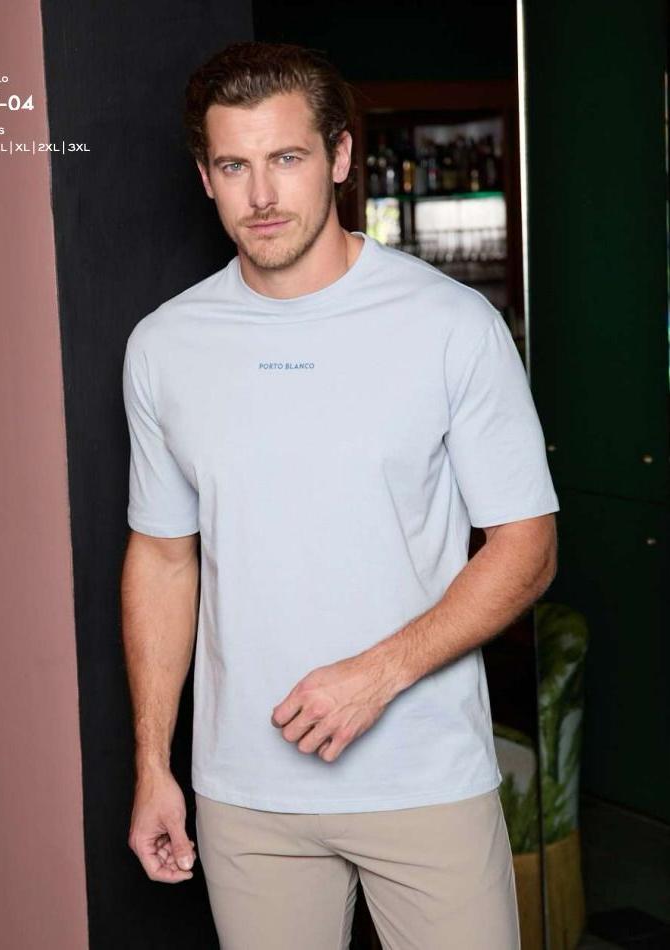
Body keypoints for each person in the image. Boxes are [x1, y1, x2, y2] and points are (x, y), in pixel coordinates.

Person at [121, 40, 558, 950]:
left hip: (423, 779)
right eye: (233, 166)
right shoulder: (165, 346)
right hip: (246, 796)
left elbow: (527, 547)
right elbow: (163, 556)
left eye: (286, 157)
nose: (261, 194)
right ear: (205, 177)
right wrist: (153, 764)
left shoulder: (452, 325)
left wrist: (377, 676)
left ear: (341, 156)